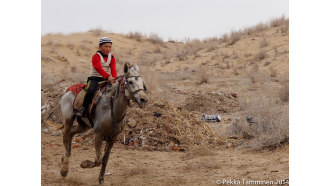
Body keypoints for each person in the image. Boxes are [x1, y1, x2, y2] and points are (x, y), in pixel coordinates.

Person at [76, 37, 117, 117]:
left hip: (106, 79)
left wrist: (114, 78)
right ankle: (83, 109)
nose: (108, 49)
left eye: (110, 47)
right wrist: (108, 77)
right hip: (94, 78)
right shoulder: (96, 56)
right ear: (100, 47)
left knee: (116, 91)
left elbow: (113, 68)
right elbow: (98, 68)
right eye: (106, 46)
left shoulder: (112, 57)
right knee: (90, 91)